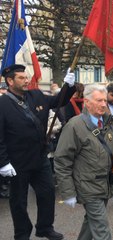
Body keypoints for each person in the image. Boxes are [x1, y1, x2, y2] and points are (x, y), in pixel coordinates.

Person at [0, 64, 76, 240]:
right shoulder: (2, 104)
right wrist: (3, 162)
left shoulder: (36, 95)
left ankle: (44, 227)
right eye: (21, 78)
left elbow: (59, 102)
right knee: (19, 201)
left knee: (47, 193)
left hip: (39, 157)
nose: (26, 80)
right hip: (16, 161)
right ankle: (21, 232)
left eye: (26, 77)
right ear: (10, 81)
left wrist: (68, 87)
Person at [54, 84, 113, 240]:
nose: (103, 104)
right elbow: (62, 161)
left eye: (104, 100)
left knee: (92, 221)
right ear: (87, 102)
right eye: (98, 100)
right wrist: (67, 192)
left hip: (106, 182)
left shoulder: (111, 123)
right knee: (101, 229)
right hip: (88, 185)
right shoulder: (74, 126)